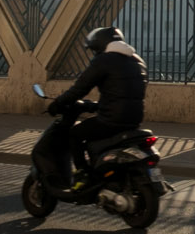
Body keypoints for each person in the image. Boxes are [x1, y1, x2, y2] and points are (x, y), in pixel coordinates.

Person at [31, 26, 147, 197]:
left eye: (94, 50)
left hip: (112, 120)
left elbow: (79, 88)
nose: (94, 53)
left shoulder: (104, 60)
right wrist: (95, 106)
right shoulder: (137, 61)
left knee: (75, 134)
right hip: (134, 120)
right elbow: (124, 92)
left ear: (101, 45)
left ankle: (83, 174)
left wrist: (57, 104)